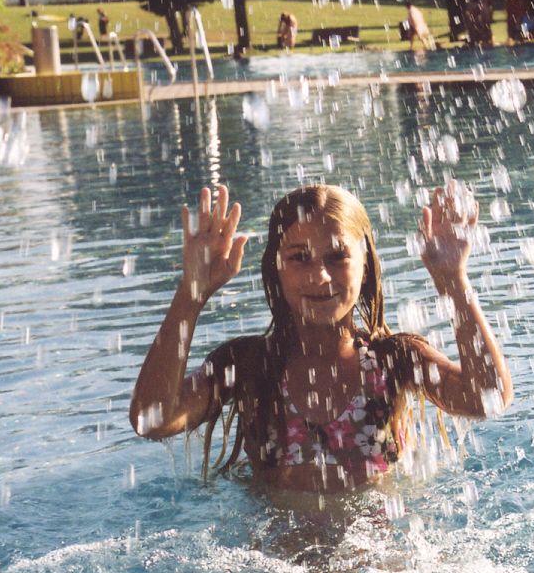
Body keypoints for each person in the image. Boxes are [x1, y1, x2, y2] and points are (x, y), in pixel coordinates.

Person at [129, 181, 513, 495]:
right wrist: (191, 294)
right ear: (275, 268)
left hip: (380, 570)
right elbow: (152, 419)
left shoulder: (394, 360)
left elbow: (487, 399)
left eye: (337, 257)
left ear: (366, 267)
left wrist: (453, 280)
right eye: (299, 258)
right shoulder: (247, 365)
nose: (320, 277)